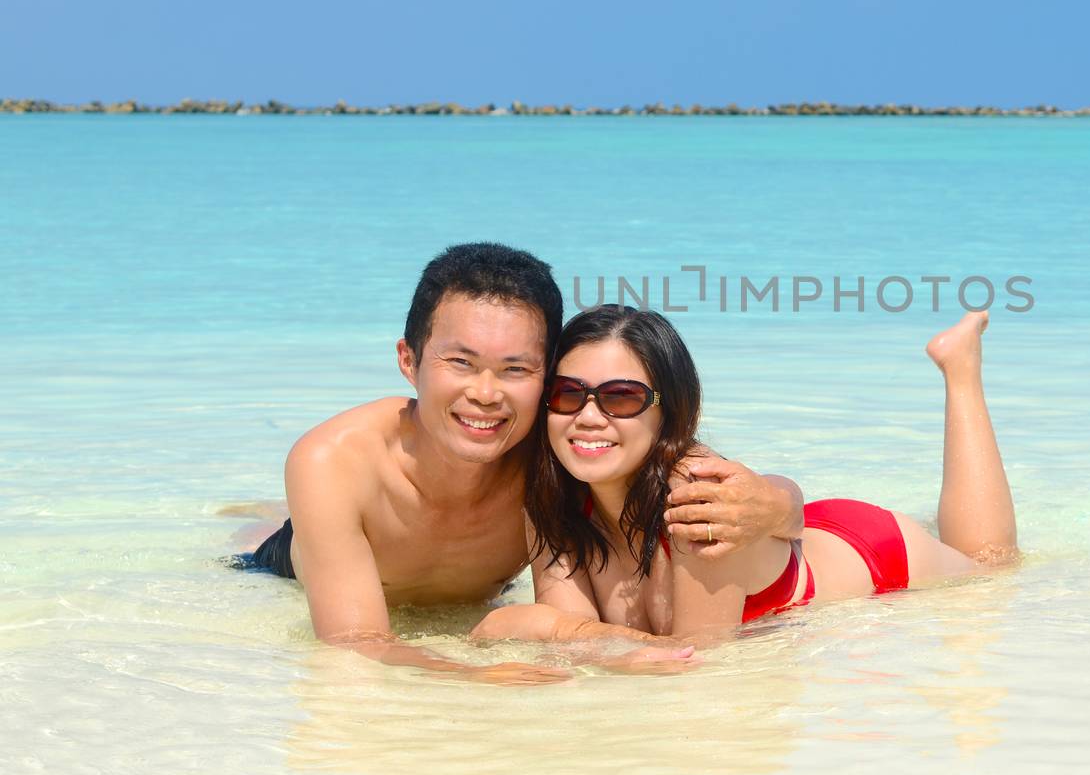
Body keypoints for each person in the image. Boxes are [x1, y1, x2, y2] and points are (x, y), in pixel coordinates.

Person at [232, 243, 805, 681]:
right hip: (304, 559)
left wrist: (770, 504)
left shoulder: (565, 442)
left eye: (515, 369)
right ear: (409, 360)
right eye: (460, 361)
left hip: (465, 596)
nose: (486, 394)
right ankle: (261, 516)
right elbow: (353, 643)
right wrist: (468, 676)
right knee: (263, 542)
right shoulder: (331, 460)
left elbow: (701, 467)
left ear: (548, 375)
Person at [473, 304, 1016, 644]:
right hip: (798, 537)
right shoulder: (551, 504)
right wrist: (556, 630)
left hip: (874, 555)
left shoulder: (702, 507)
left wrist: (544, 628)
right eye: (569, 394)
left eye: (621, 397)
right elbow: (586, 642)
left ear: (668, 412)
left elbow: (698, 665)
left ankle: (960, 368)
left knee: (995, 569)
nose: (589, 416)